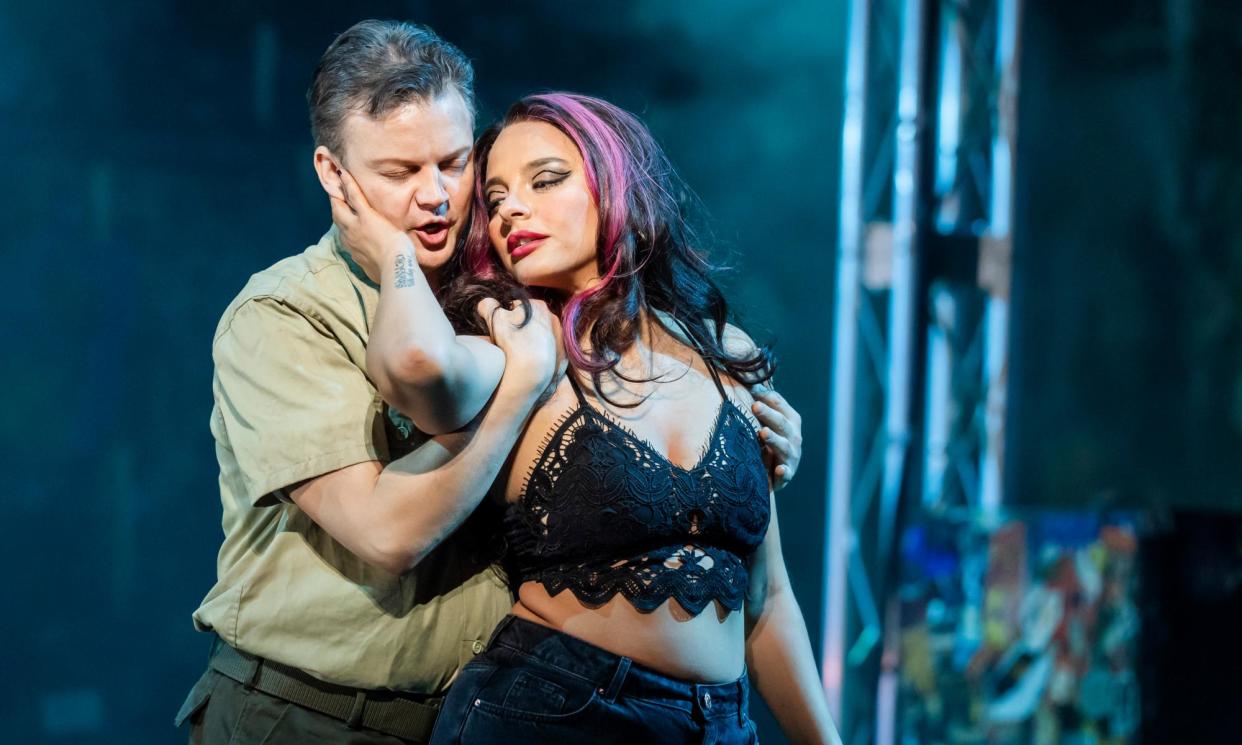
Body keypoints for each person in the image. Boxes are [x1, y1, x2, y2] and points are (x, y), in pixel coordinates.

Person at [178, 20, 805, 745]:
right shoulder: (285, 314)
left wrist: (743, 460)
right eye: (398, 173)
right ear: (333, 174)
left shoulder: (518, 297)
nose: (436, 195)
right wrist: (414, 280)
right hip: (310, 714)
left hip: (472, 711)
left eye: (452, 162)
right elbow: (389, 531)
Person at [337, 93, 835, 744]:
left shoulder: (730, 353)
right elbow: (408, 364)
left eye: (545, 180)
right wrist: (396, 252)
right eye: (497, 197)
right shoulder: (520, 349)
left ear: (615, 183)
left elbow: (766, 601)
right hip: (556, 715)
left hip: (719, 723)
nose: (513, 206)